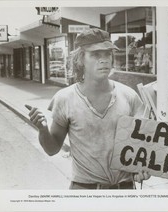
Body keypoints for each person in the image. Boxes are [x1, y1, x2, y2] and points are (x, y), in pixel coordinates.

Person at [28, 28, 150, 189]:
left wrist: (143, 167)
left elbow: (143, 145)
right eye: (96, 55)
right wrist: (43, 130)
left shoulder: (129, 96)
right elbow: (52, 149)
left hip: (124, 190)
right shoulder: (65, 98)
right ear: (80, 60)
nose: (104, 60)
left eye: (108, 54)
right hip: (84, 192)